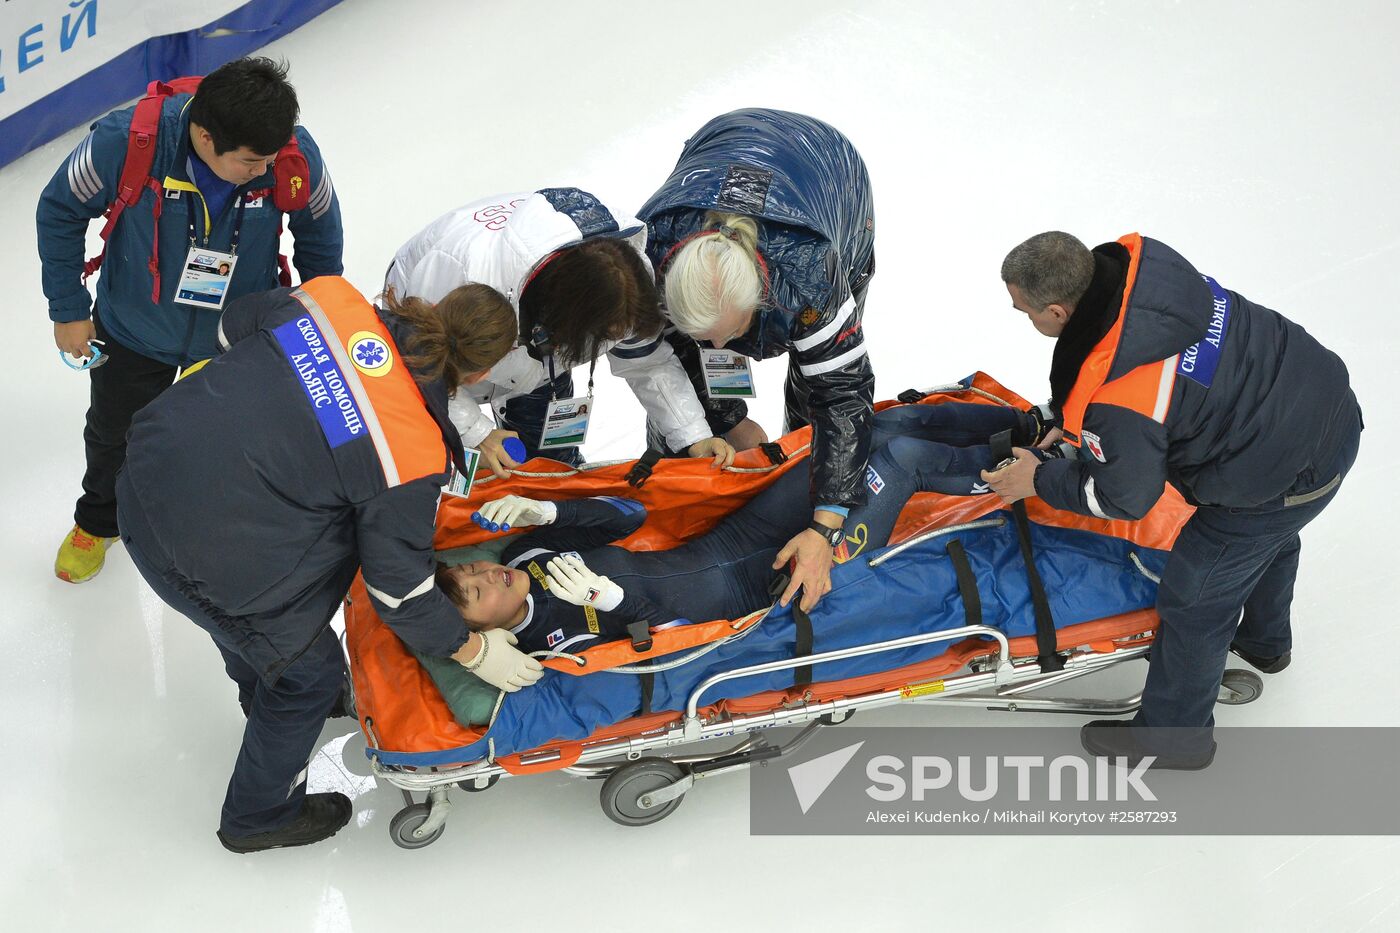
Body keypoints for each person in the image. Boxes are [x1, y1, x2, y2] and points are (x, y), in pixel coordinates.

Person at [116, 276, 545, 852]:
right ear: (474, 377)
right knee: (306, 677)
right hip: (206, 553)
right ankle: (259, 815)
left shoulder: (330, 300)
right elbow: (401, 591)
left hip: (146, 476)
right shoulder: (411, 451)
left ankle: (259, 691)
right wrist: (471, 649)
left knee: (252, 629)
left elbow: (228, 328)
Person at [984, 231, 1363, 769]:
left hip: (1281, 472)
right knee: (1270, 538)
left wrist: (1038, 482)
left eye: (1023, 311)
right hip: (1323, 410)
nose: (1022, 317)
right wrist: (1073, 429)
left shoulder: (1124, 396)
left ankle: (1174, 739)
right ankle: (1264, 642)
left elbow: (1125, 498)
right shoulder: (1150, 279)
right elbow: (1162, 389)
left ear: (1057, 310)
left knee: (1196, 598)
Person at [40, 56, 345, 585]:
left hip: (237, 336)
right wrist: (68, 309)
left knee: (222, 441)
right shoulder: (125, 142)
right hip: (135, 330)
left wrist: (316, 318)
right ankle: (98, 522)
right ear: (205, 137)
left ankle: (198, 528)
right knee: (114, 435)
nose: (265, 170)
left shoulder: (292, 156)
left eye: (270, 158)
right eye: (251, 161)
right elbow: (59, 209)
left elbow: (320, 236)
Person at [436, 402, 1050, 653]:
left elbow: (629, 516)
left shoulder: (526, 552)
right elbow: (652, 653)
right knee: (902, 462)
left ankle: (1026, 425)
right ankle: (1029, 473)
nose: (486, 572)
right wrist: (615, 603)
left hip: (740, 531)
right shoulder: (548, 643)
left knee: (868, 432)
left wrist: (552, 513)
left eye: (470, 567)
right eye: (477, 590)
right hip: (767, 582)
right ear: (481, 625)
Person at [637, 108, 877, 615]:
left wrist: (824, 523)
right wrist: (718, 426)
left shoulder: (812, 274)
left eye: (731, 335)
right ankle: (685, 484)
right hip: (718, 148)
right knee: (689, 412)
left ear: (760, 301)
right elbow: (661, 364)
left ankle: (793, 468)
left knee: (819, 394)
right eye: (704, 338)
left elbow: (844, 396)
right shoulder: (651, 255)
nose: (721, 350)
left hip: (829, 170)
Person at [385, 189, 734, 476]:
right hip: (445, 344)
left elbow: (648, 363)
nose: (613, 340)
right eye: (601, 335)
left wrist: (695, 437)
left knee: (544, 465)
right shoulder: (464, 277)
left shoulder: (626, 284)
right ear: (566, 317)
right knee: (466, 466)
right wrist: (476, 432)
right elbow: (422, 363)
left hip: (535, 353)